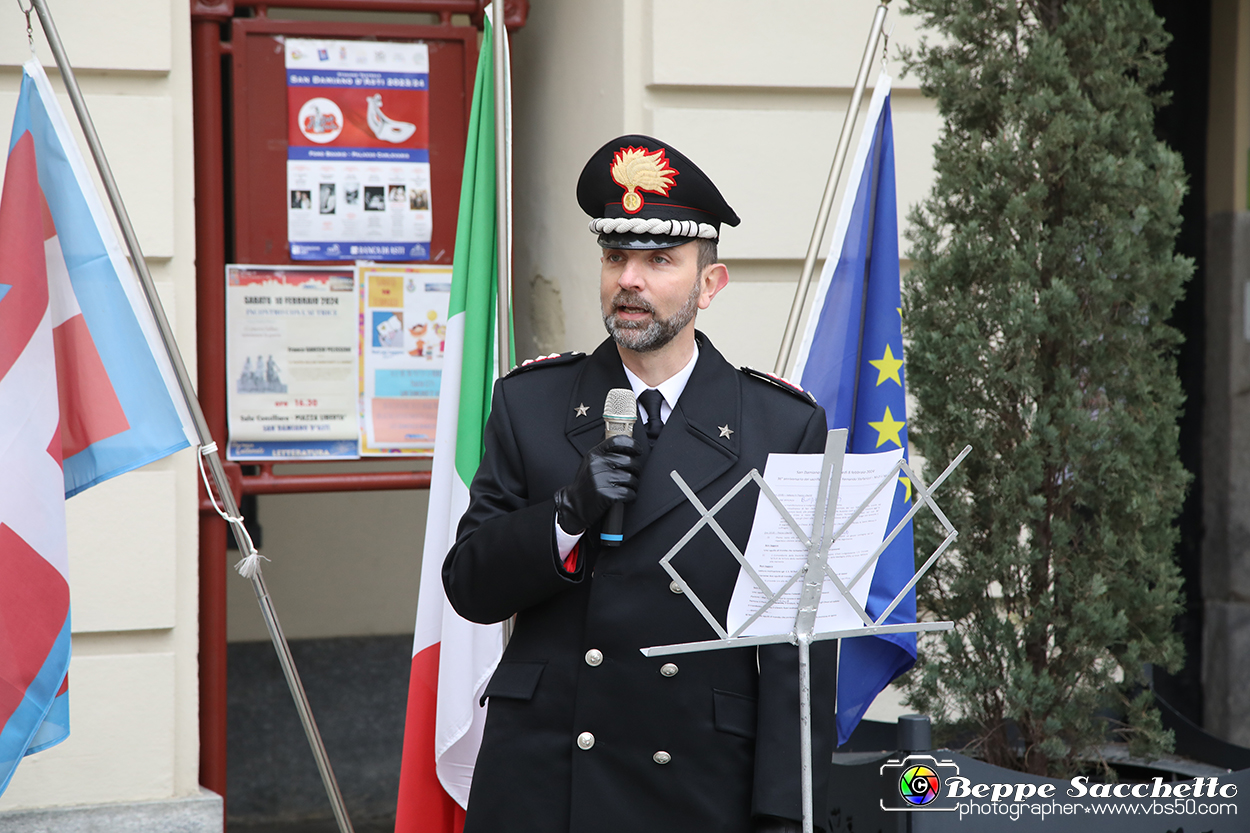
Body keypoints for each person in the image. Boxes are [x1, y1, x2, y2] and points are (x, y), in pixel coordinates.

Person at [442, 135, 838, 833]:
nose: (631, 279)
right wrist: (566, 514)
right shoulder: (530, 403)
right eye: (616, 256)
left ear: (708, 284)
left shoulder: (779, 425)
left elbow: (796, 652)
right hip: (547, 779)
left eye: (660, 260)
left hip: (699, 781)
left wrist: (787, 812)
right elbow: (469, 585)